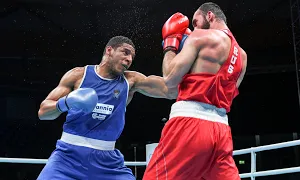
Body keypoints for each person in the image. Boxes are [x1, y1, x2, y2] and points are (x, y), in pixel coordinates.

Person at [37, 36, 177, 180]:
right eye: (125, 52)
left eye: (132, 56)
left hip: (108, 163)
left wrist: (172, 49)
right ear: (109, 50)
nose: (129, 59)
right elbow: (43, 112)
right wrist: (66, 102)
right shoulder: (79, 75)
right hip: (67, 158)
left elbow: (170, 91)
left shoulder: (131, 81)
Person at [143, 2, 247, 180]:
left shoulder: (201, 37)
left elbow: (169, 79)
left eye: (195, 21)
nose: (193, 27)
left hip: (189, 126)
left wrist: (170, 45)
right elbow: (226, 92)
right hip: (221, 130)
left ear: (210, 16)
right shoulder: (242, 57)